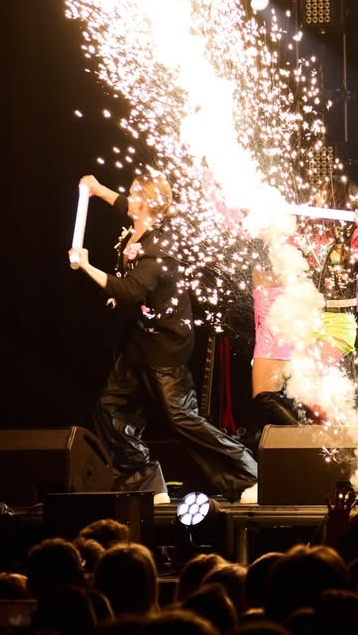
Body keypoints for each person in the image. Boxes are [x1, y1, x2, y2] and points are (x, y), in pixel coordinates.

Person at [69, 172, 258, 504]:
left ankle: (248, 476)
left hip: (164, 349)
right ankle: (145, 482)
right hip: (139, 346)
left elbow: (131, 291)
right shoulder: (141, 223)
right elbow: (124, 204)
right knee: (111, 409)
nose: (127, 199)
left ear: (147, 204)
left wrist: (85, 265)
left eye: (134, 194)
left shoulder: (158, 249)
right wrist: (98, 190)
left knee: (181, 418)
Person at [251, 176, 358, 427]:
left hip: (337, 324)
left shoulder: (355, 234)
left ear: (336, 199)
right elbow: (277, 246)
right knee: (304, 397)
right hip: (307, 320)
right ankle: (325, 438)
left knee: (306, 381)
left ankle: (345, 436)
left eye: (321, 193)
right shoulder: (308, 232)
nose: (315, 197)